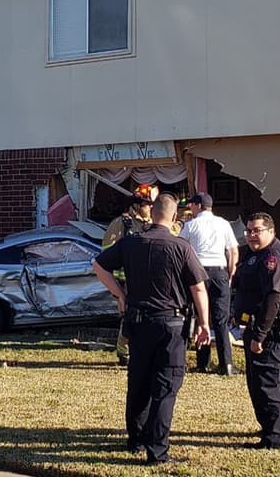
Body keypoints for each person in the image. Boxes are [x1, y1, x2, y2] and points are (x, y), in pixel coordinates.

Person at [93, 192, 210, 465]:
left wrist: (120, 294)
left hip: (137, 320)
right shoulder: (180, 247)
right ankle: (157, 452)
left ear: (152, 213)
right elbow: (198, 287)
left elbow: (98, 265)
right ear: (172, 217)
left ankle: (135, 440)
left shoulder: (130, 243)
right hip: (170, 324)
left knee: (139, 382)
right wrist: (204, 323)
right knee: (166, 387)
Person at [234, 212, 280, 449]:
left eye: (256, 231)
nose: (251, 235)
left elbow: (273, 299)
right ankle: (267, 428)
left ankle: (276, 439)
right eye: (248, 231)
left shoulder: (274, 257)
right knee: (256, 382)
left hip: (272, 333)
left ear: (271, 231)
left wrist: (259, 335)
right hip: (254, 328)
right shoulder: (254, 253)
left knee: (267, 384)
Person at [181, 192, 239, 375]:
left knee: (198, 316)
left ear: (198, 205)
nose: (190, 208)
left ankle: (202, 362)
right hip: (219, 271)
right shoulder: (223, 224)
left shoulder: (190, 225)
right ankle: (226, 364)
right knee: (221, 320)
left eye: (192, 205)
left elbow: (181, 249)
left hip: (198, 272)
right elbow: (233, 252)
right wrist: (229, 274)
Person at [101, 183, 157, 366]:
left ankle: (142, 349)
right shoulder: (121, 223)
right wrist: (117, 289)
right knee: (129, 317)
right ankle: (123, 352)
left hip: (147, 278)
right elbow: (107, 254)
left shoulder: (154, 224)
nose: (152, 208)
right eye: (150, 205)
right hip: (125, 281)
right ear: (138, 204)